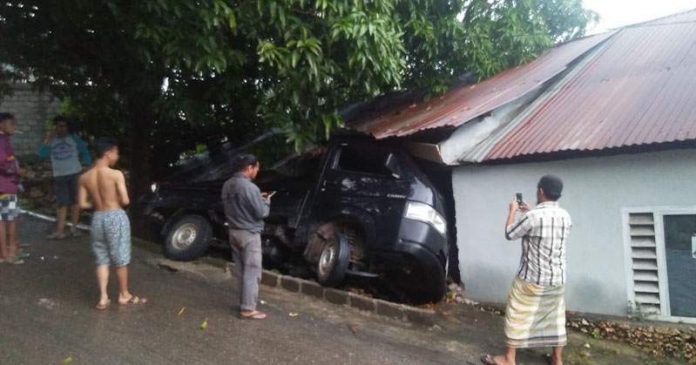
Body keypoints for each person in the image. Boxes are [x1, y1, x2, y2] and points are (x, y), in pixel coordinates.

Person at [482, 175, 572, 365]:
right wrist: (531, 210)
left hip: (531, 280)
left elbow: (509, 234)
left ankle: (508, 358)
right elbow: (546, 227)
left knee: (517, 313)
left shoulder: (533, 217)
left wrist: (512, 211)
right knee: (555, 318)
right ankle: (557, 359)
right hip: (557, 279)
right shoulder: (565, 216)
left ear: (540, 191)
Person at [78, 137, 146, 310]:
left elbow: (82, 204)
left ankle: (103, 297)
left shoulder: (85, 177)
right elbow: (125, 200)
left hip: (98, 218)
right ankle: (124, 294)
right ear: (108, 153)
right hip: (115, 216)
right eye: (116, 152)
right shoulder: (116, 175)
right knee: (120, 258)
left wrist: (96, 203)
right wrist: (113, 200)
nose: (117, 156)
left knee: (102, 258)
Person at [221, 153, 271, 320]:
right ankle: (248, 309)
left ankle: (244, 303)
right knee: (252, 271)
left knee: (242, 271)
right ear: (249, 168)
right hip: (249, 234)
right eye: (256, 168)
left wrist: (258, 198)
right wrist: (266, 201)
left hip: (233, 231)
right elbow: (260, 213)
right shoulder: (251, 188)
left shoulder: (227, 184)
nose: (257, 171)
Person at [39, 116, 92, 239]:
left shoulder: (74, 139)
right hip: (59, 175)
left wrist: (88, 166)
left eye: (63, 126)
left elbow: (84, 151)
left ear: (68, 128)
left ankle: (74, 228)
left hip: (75, 173)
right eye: (58, 126)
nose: (60, 129)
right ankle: (60, 231)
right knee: (62, 203)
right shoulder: (52, 141)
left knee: (75, 202)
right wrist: (48, 139)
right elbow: (41, 154)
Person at [0, 112, 24, 264]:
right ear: (1, 124)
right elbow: (4, 163)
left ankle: (3, 254)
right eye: (11, 124)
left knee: (2, 221)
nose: (14, 127)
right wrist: (18, 171)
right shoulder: (2, 142)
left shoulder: (5, 139)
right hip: (7, 186)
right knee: (10, 220)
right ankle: (10, 254)